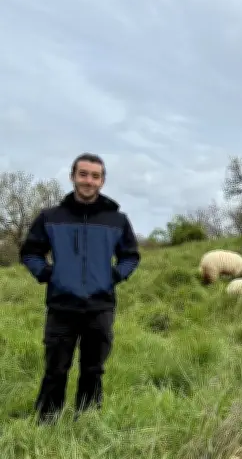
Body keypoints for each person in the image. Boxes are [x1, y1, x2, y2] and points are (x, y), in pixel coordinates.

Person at [19, 152, 140, 424]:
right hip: (62, 306)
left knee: (93, 369)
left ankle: (86, 423)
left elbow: (131, 256)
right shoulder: (50, 217)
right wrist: (49, 274)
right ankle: (46, 423)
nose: (89, 181)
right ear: (72, 176)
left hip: (100, 306)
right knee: (55, 370)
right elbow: (30, 252)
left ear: (103, 181)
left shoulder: (116, 220)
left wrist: (115, 276)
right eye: (83, 174)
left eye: (95, 176)